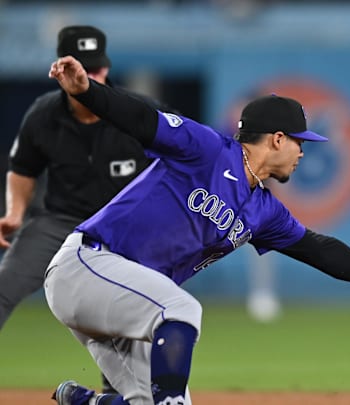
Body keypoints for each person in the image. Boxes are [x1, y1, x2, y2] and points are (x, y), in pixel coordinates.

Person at [46, 55, 350, 405]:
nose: (303, 152)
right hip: (87, 265)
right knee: (180, 309)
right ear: (276, 139)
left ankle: (87, 401)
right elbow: (142, 119)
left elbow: (319, 250)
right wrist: (86, 91)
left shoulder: (265, 210)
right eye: (299, 142)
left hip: (127, 295)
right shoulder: (207, 149)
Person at [0, 25, 174, 395]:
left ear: (106, 70)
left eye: (96, 69)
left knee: (122, 317)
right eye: (81, 67)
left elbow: (183, 158)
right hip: (59, 222)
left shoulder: (136, 113)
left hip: (121, 231)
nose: (90, 76)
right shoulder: (44, 114)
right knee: (4, 284)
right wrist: (15, 213)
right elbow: (23, 168)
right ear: (59, 71)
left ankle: (115, 396)